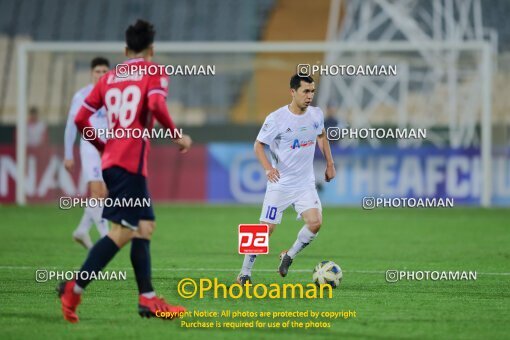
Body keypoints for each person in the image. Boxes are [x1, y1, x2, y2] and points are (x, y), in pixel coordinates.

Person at [57, 19, 192, 323]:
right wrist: (177, 135)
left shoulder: (108, 78)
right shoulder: (154, 71)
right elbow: (156, 105)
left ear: (125, 49)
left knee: (144, 227)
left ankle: (147, 299)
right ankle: (74, 289)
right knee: (123, 232)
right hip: (130, 165)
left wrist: (103, 146)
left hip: (114, 162)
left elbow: (80, 120)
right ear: (151, 50)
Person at [237, 74, 336, 284]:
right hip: (280, 184)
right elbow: (258, 145)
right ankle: (244, 273)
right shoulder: (276, 118)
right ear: (293, 92)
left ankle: (288, 256)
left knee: (316, 223)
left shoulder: (316, 114)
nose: (310, 96)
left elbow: (321, 136)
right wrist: (268, 169)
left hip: (305, 184)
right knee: (265, 229)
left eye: (312, 91)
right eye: (305, 91)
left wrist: (330, 163)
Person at [64, 57, 110, 249]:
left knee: (103, 193)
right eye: (97, 71)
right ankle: (106, 236)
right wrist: (68, 153)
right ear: (91, 73)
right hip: (90, 146)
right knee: (97, 191)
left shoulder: (111, 94)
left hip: (108, 146)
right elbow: (72, 125)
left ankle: (82, 231)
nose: (101, 75)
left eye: (104, 72)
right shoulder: (82, 95)